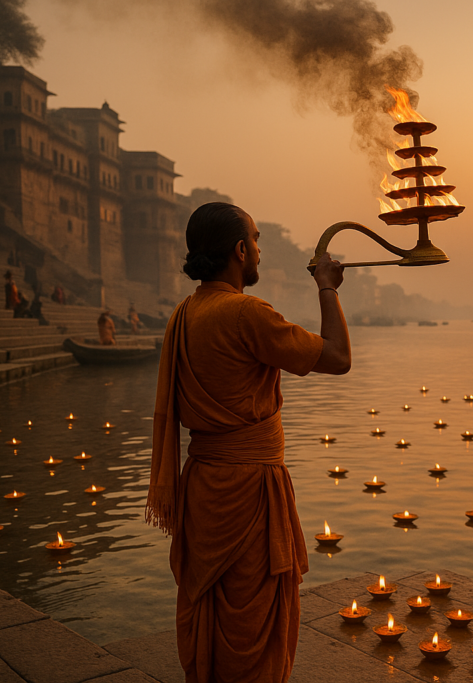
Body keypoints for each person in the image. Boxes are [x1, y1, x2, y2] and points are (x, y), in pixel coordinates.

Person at [146, 202, 350, 683]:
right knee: (252, 617)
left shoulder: (185, 313)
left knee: (213, 610)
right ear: (240, 250)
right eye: (256, 240)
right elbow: (338, 357)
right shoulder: (246, 313)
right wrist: (326, 287)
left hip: (203, 488)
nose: (259, 249)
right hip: (249, 492)